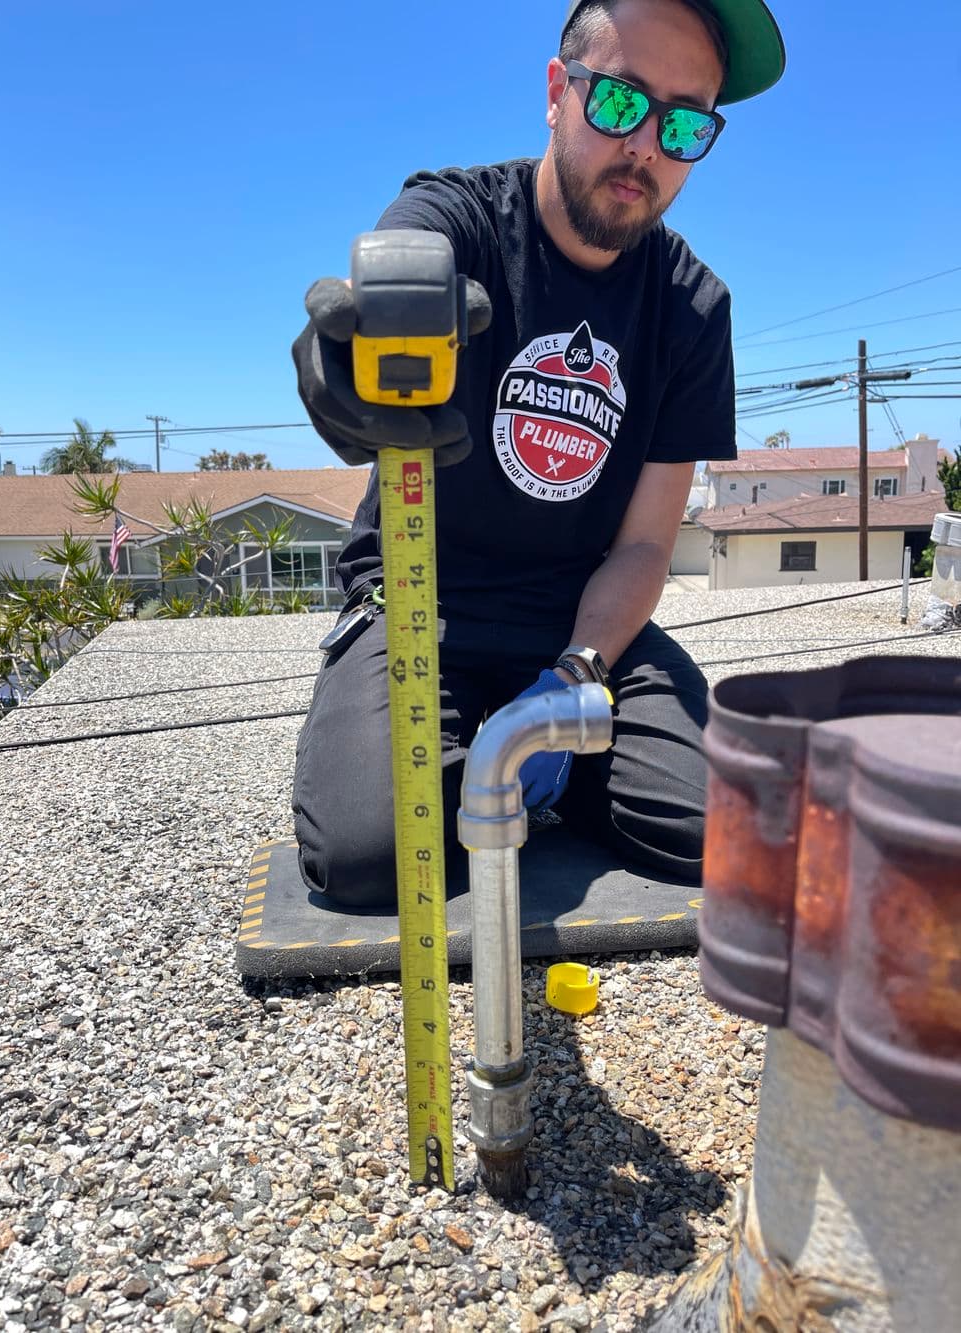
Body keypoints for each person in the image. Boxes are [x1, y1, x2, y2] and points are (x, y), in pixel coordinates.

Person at [291, 0, 786, 909]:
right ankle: (484, 762)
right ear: (558, 93)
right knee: (371, 855)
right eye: (620, 102)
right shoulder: (460, 219)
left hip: (583, 628)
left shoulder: (692, 307)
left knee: (734, 836)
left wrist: (572, 679)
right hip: (421, 606)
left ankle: (541, 769)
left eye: (683, 124)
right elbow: (406, 264)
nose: (645, 146)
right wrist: (361, 343)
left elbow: (643, 547)